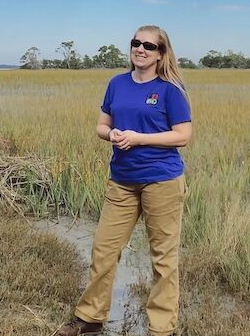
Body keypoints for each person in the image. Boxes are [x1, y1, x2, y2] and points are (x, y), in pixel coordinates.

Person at [57, 25, 192, 336]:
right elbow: (102, 126)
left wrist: (139, 138)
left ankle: (161, 327)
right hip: (122, 181)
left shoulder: (171, 90)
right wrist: (113, 134)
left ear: (161, 54)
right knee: (103, 249)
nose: (140, 49)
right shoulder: (117, 84)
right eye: (136, 43)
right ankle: (90, 317)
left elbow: (183, 135)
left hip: (162, 181)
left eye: (149, 45)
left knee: (163, 258)